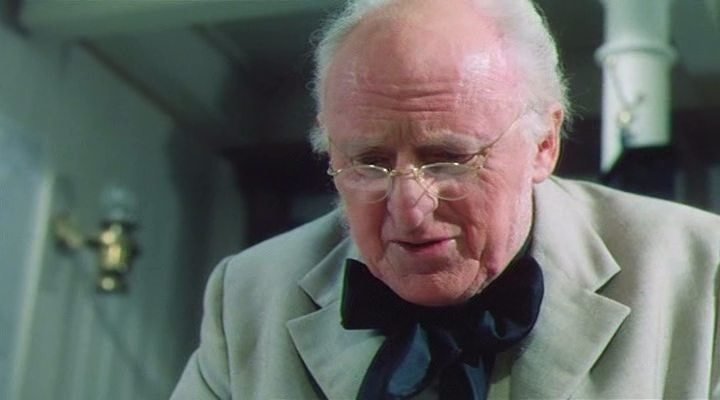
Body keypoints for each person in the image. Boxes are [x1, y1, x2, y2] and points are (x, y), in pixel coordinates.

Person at [171, 0, 720, 398]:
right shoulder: (248, 298)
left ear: (544, 145)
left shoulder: (702, 274)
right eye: (369, 162)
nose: (409, 208)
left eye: (449, 158)